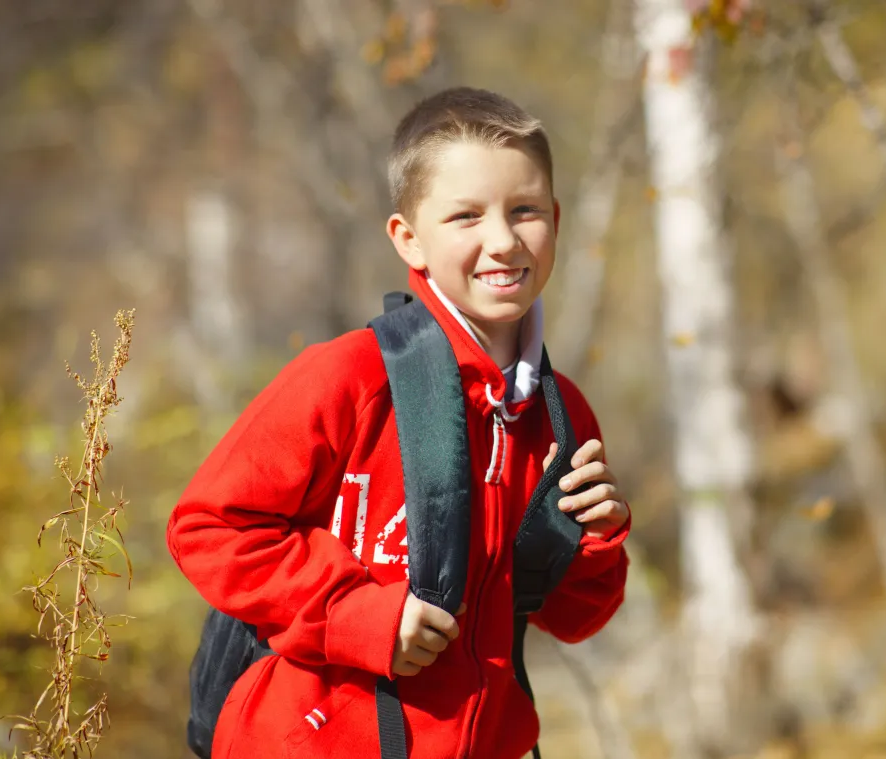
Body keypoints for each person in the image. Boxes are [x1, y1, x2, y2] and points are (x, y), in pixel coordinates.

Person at [166, 86, 631, 759]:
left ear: (556, 220)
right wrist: (362, 616)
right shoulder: (351, 377)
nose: (502, 239)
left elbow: (575, 617)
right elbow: (208, 526)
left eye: (524, 210)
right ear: (408, 239)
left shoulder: (562, 414)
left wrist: (597, 539)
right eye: (466, 216)